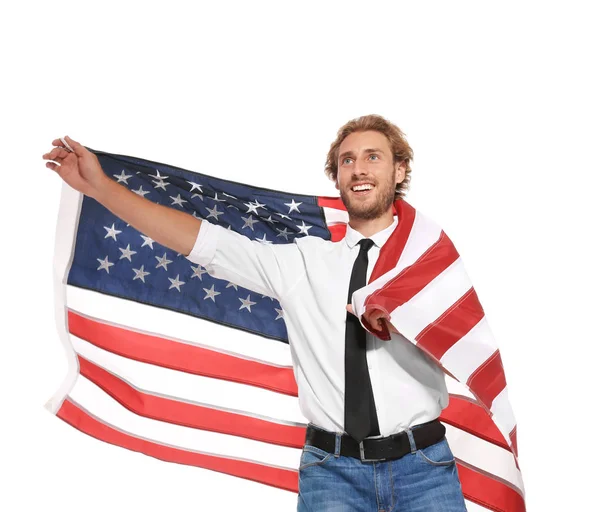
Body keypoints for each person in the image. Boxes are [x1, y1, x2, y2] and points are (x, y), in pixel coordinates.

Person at [43, 114, 468, 511]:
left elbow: (469, 362)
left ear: (399, 171)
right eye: (347, 160)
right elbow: (204, 243)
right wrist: (100, 188)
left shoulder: (430, 261)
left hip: (423, 469)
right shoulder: (302, 262)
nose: (359, 169)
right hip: (333, 475)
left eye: (373, 157)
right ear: (337, 177)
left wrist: (411, 323)